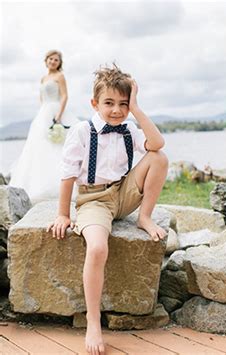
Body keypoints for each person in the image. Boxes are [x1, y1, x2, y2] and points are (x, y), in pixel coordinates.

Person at [47, 64, 168, 355]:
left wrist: (136, 109)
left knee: (159, 158)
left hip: (122, 193)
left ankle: (145, 217)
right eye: (109, 103)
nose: (116, 110)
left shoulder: (129, 127)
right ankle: (93, 321)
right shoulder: (81, 131)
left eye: (123, 104)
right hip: (93, 200)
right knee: (98, 248)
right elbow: (67, 174)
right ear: (95, 103)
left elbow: (157, 143)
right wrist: (63, 213)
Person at [9, 49, 79, 202]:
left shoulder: (60, 76)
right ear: (46, 60)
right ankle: (38, 184)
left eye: (56, 60)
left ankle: (64, 185)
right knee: (39, 146)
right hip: (43, 113)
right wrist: (43, 114)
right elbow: (41, 98)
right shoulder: (43, 78)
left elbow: (65, 95)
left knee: (58, 146)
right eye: (51, 59)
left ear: (59, 63)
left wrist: (58, 116)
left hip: (56, 111)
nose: (53, 62)